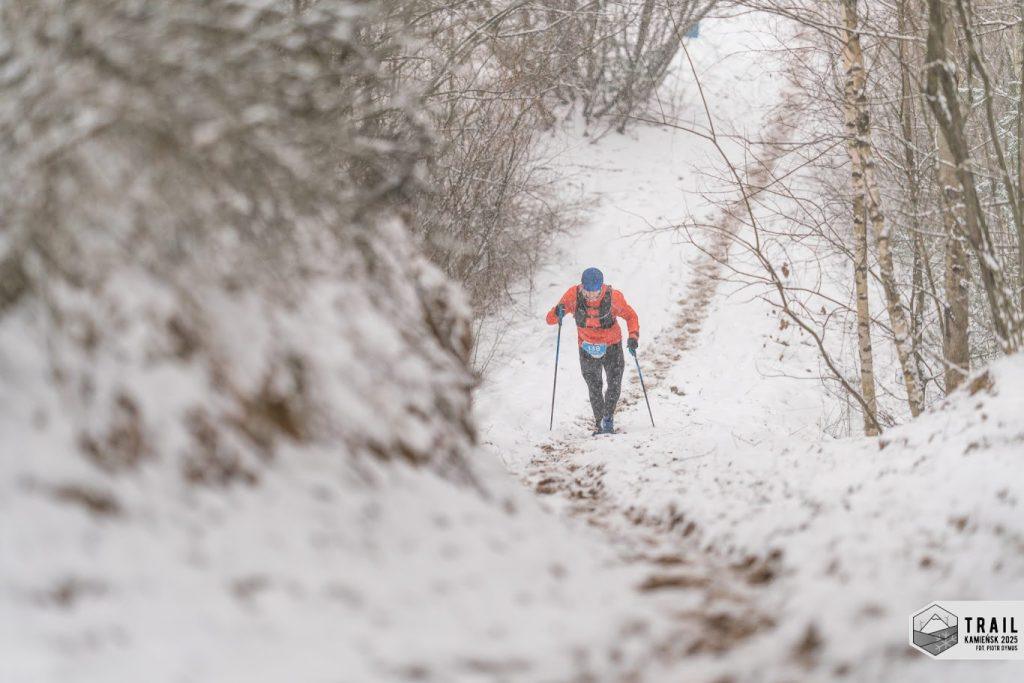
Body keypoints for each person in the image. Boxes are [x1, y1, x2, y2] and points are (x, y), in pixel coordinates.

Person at [546, 267, 639, 434]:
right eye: (587, 291)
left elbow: (631, 316)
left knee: (614, 384)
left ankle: (608, 418)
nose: (590, 295)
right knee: (594, 386)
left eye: (594, 292)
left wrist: (633, 336)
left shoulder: (614, 298)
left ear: (601, 287)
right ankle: (600, 422)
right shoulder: (572, 296)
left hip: (612, 346)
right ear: (582, 286)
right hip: (587, 348)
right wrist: (557, 312)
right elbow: (550, 320)